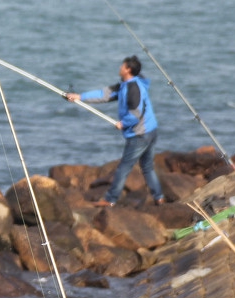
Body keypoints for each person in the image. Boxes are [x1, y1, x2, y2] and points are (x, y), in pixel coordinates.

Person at [65, 55, 165, 206]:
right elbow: (104, 94)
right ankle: (159, 197)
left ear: (128, 70)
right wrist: (80, 97)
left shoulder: (133, 89)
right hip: (151, 130)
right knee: (147, 167)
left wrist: (123, 123)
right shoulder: (126, 85)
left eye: (122, 66)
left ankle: (110, 199)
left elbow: (136, 113)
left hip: (140, 134)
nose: (120, 68)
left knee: (123, 168)